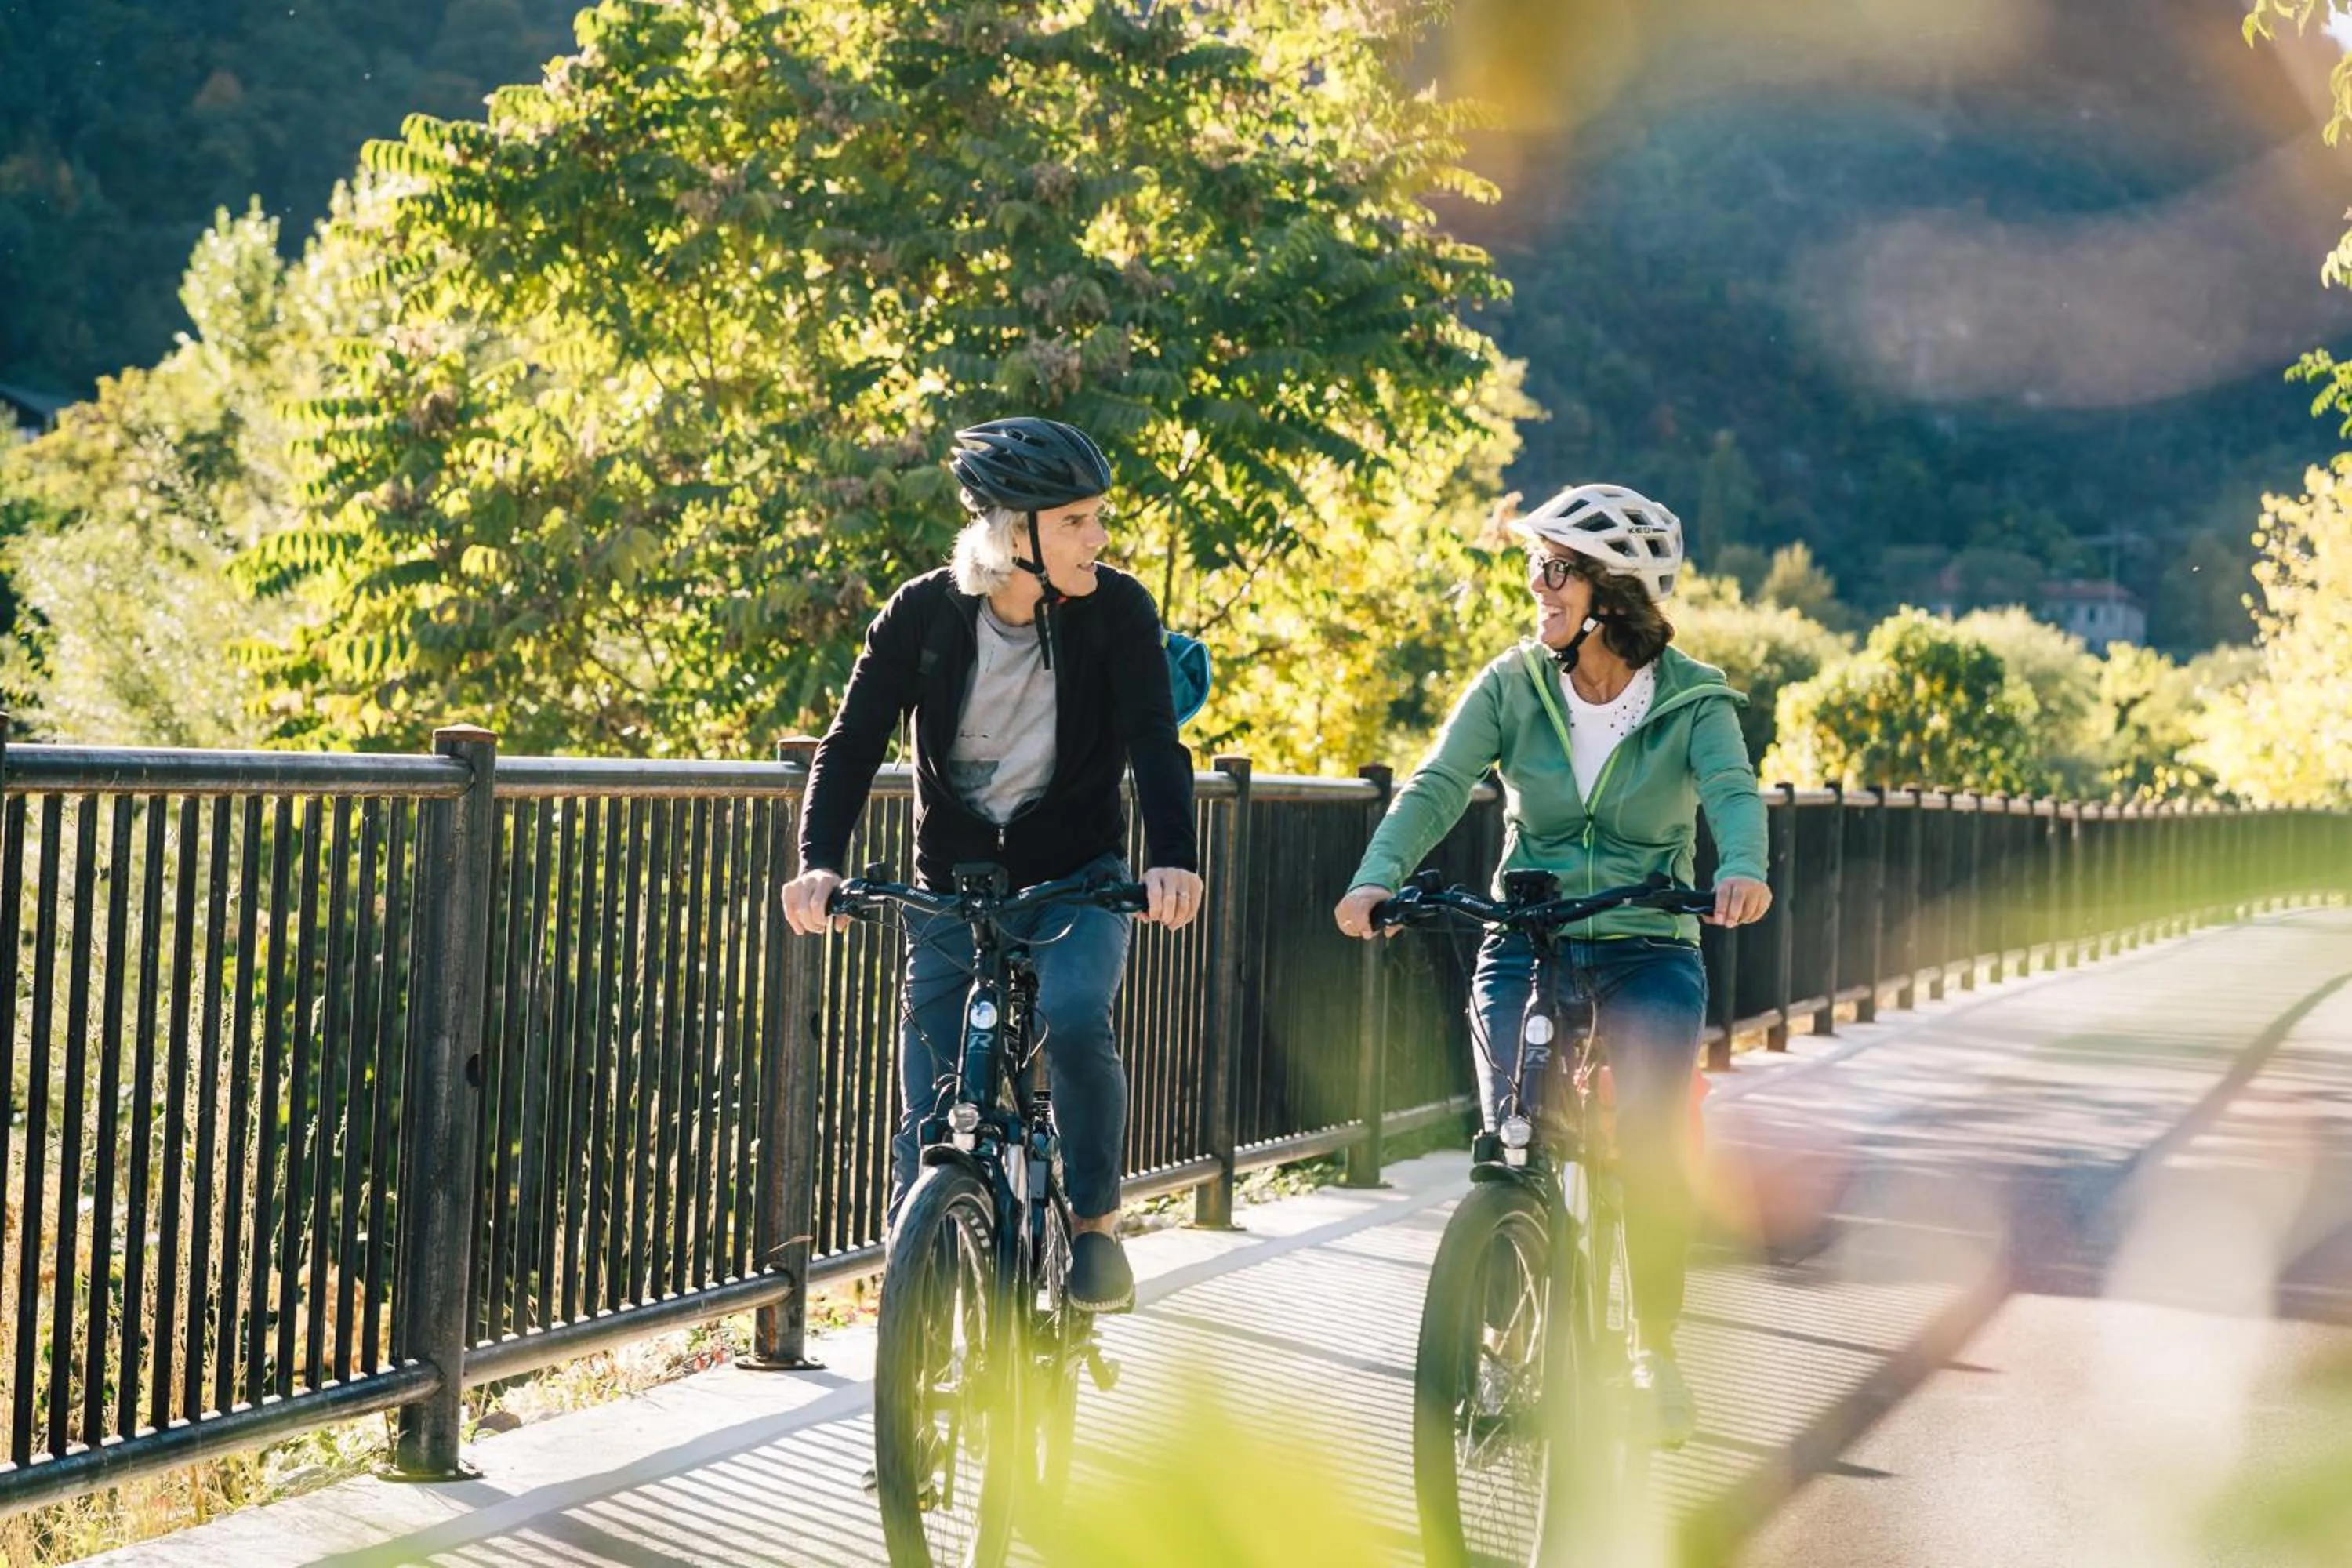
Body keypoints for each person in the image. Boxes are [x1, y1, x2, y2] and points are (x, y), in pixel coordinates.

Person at [1330, 481, 1770, 1444]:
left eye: (1557, 569)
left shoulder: (1694, 698)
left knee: (1650, 1143)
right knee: (1512, 1137)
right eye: (1537, 565)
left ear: (1614, 592)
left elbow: (1733, 793)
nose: (1538, 585)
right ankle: (1511, 1319)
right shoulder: (1511, 683)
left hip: (1647, 943)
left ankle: (1654, 1349)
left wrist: (1741, 868)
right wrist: (1376, 878)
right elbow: (1440, 782)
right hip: (1528, 935)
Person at [782, 416, 1204, 1314]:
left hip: (1077, 879)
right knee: (928, 1111)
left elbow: (1156, 742)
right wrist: (820, 861)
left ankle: (1092, 1224)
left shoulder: (1119, 611)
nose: (1099, 536)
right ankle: (912, 1363)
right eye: (1078, 520)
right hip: (953, 885)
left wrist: (1173, 860)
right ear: (1019, 534)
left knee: (1077, 1010)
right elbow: (851, 744)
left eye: (1097, 518)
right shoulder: (923, 615)